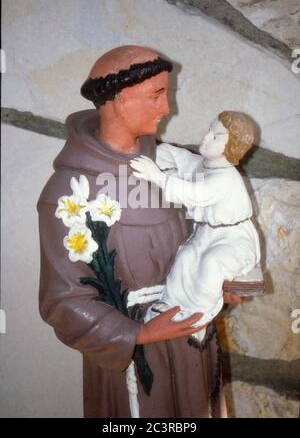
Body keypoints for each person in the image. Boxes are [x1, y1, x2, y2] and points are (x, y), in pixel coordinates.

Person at [37, 45, 239, 418]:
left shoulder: (170, 167)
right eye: (157, 95)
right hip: (133, 360)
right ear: (118, 100)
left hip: (192, 340)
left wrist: (213, 281)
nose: (167, 109)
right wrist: (139, 335)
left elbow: (199, 237)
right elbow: (61, 301)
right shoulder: (69, 193)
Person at [130, 111, 261, 342]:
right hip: (207, 232)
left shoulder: (226, 178)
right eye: (209, 130)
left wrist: (157, 177)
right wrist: (154, 155)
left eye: (216, 135)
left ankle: (199, 317)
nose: (207, 136)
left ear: (233, 146)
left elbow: (194, 193)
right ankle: (170, 304)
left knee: (211, 264)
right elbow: (179, 157)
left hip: (234, 238)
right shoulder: (204, 165)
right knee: (187, 256)